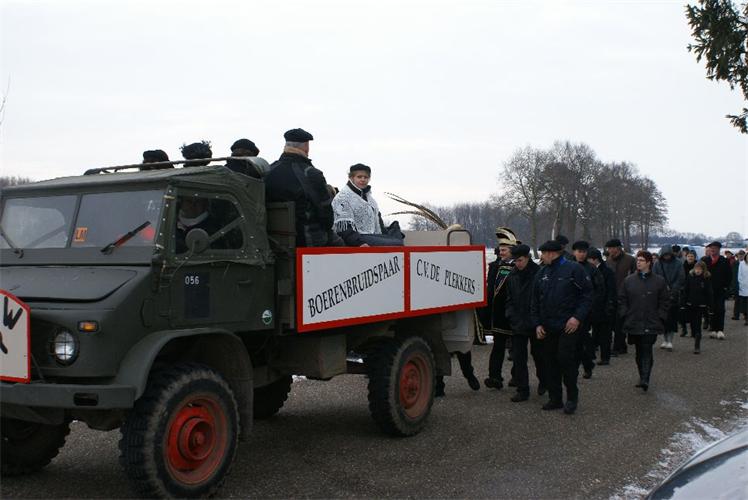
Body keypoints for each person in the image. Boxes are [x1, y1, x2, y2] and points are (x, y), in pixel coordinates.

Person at [530, 240, 592, 415]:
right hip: (548, 326)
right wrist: (537, 323)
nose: (541, 257)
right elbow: (534, 301)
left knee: (566, 360)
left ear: (551, 253)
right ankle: (555, 398)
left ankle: (572, 398)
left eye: (543, 253)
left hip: (568, 325)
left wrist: (577, 318)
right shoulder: (542, 273)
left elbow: (587, 296)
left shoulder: (574, 269)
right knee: (550, 362)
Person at [264, 128, 343, 247]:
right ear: (306, 147)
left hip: (273, 240)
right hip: (308, 240)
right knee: (341, 244)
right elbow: (326, 216)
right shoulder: (311, 174)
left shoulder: (268, 171)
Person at [618, 251, 669, 392]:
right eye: (637, 260)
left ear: (649, 262)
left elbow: (664, 301)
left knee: (647, 349)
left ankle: (645, 378)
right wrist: (624, 313)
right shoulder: (629, 280)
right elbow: (622, 299)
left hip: (651, 321)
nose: (638, 262)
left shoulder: (659, 281)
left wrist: (660, 316)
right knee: (639, 350)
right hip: (633, 320)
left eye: (641, 260)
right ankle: (642, 375)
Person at [478, 227, 520, 390]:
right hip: (499, 314)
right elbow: (490, 290)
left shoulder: (519, 266)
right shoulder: (495, 266)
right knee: (498, 347)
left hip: (514, 313)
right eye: (500, 250)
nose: (501, 253)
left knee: (517, 349)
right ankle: (494, 377)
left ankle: (517, 377)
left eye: (504, 250)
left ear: (512, 251)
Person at [505, 244, 543, 402]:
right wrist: (511, 315)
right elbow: (509, 299)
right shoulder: (512, 275)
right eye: (515, 261)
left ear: (527, 258)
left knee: (539, 356)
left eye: (520, 260)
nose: (517, 264)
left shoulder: (539, 274)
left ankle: (544, 381)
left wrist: (540, 320)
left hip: (535, 322)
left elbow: (543, 298)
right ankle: (522, 389)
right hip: (518, 322)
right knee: (519, 358)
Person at [331, 164, 404, 246]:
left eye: (366, 177)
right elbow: (344, 229)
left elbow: (379, 224)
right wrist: (359, 243)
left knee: (397, 237)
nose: (363, 179)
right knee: (396, 243)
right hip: (357, 239)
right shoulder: (343, 198)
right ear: (351, 178)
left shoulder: (370, 200)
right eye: (359, 177)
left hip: (372, 236)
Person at [570, 240, 600, 379]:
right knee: (574, 341)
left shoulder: (592, 269)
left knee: (581, 339)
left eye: (584, 252)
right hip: (570, 310)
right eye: (579, 251)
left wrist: (591, 306)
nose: (581, 254)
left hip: (586, 311)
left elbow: (599, 289)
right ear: (574, 252)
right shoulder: (568, 267)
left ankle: (585, 364)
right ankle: (580, 365)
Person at [605, 238, 637, 355]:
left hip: (625, 295)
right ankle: (621, 345)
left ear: (617, 248)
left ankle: (618, 346)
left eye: (611, 248)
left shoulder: (630, 260)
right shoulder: (608, 261)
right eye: (608, 248)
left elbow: (636, 276)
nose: (609, 250)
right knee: (613, 322)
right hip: (611, 295)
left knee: (620, 322)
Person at [652, 245, 685, 351]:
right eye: (665, 255)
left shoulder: (678, 263)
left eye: (668, 255)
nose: (667, 257)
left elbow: (681, 277)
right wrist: (662, 287)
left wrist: (673, 289)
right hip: (661, 294)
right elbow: (654, 277)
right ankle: (664, 339)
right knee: (662, 317)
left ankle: (670, 340)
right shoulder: (657, 264)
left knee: (671, 318)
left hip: (673, 294)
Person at [587, 248, 617, 365]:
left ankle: (605, 357)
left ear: (595, 260)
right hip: (592, 307)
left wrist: (609, 305)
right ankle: (591, 355)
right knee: (594, 332)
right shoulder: (589, 270)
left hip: (604, 307)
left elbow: (611, 290)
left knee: (605, 334)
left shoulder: (607, 272)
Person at [681, 261, 714, 354]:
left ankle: (697, 344)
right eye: (696, 268)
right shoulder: (690, 277)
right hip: (690, 303)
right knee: (692, 323)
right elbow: (686, 290)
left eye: (700, 269)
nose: (698, 270)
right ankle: (694, 334)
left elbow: (709, 293)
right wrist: (683, 303)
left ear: (703, 270)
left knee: (698, 323)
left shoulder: (706, 278)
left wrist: (711, 306)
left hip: (701, 305)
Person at [701, 241, 732, 340]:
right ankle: (713, 329)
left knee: (720, 309)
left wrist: (726, 286)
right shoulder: (705, 260)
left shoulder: (724, 260)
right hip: (708, 289)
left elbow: (729, 274)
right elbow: (701, 274)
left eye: (714, 248)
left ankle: (720, 330)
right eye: (711, 248)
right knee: (711, 310)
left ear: (719, 249)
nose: (712, 250)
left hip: (720, 289)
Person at [680, 251, 698, 337]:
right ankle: (684, 329)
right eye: (688, 256)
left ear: (694, 257)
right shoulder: (682, 266)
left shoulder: (697, 266)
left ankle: (693, 330)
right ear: (686, 257)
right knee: (682, 311)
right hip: (683, 290)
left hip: (694, 291)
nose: (690, 258)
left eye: (692, 256)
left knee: (693, 312)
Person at [731, 249, 746, 320]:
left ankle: (746, 316)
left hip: (745, 285)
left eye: (742, 255)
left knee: (745, 301)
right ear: (737, 255)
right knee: (737, 301)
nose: (741, 256)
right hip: (737, 284)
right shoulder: (735, 263)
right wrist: (733, 285)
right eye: (739, 255)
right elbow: (733, 274)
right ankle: (736, 315)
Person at [736, 251, 748, 325]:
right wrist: (741, 283)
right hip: (743, 287)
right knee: (744, 304)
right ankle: (746, 317)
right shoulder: (741, 264)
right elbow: (739, 275)